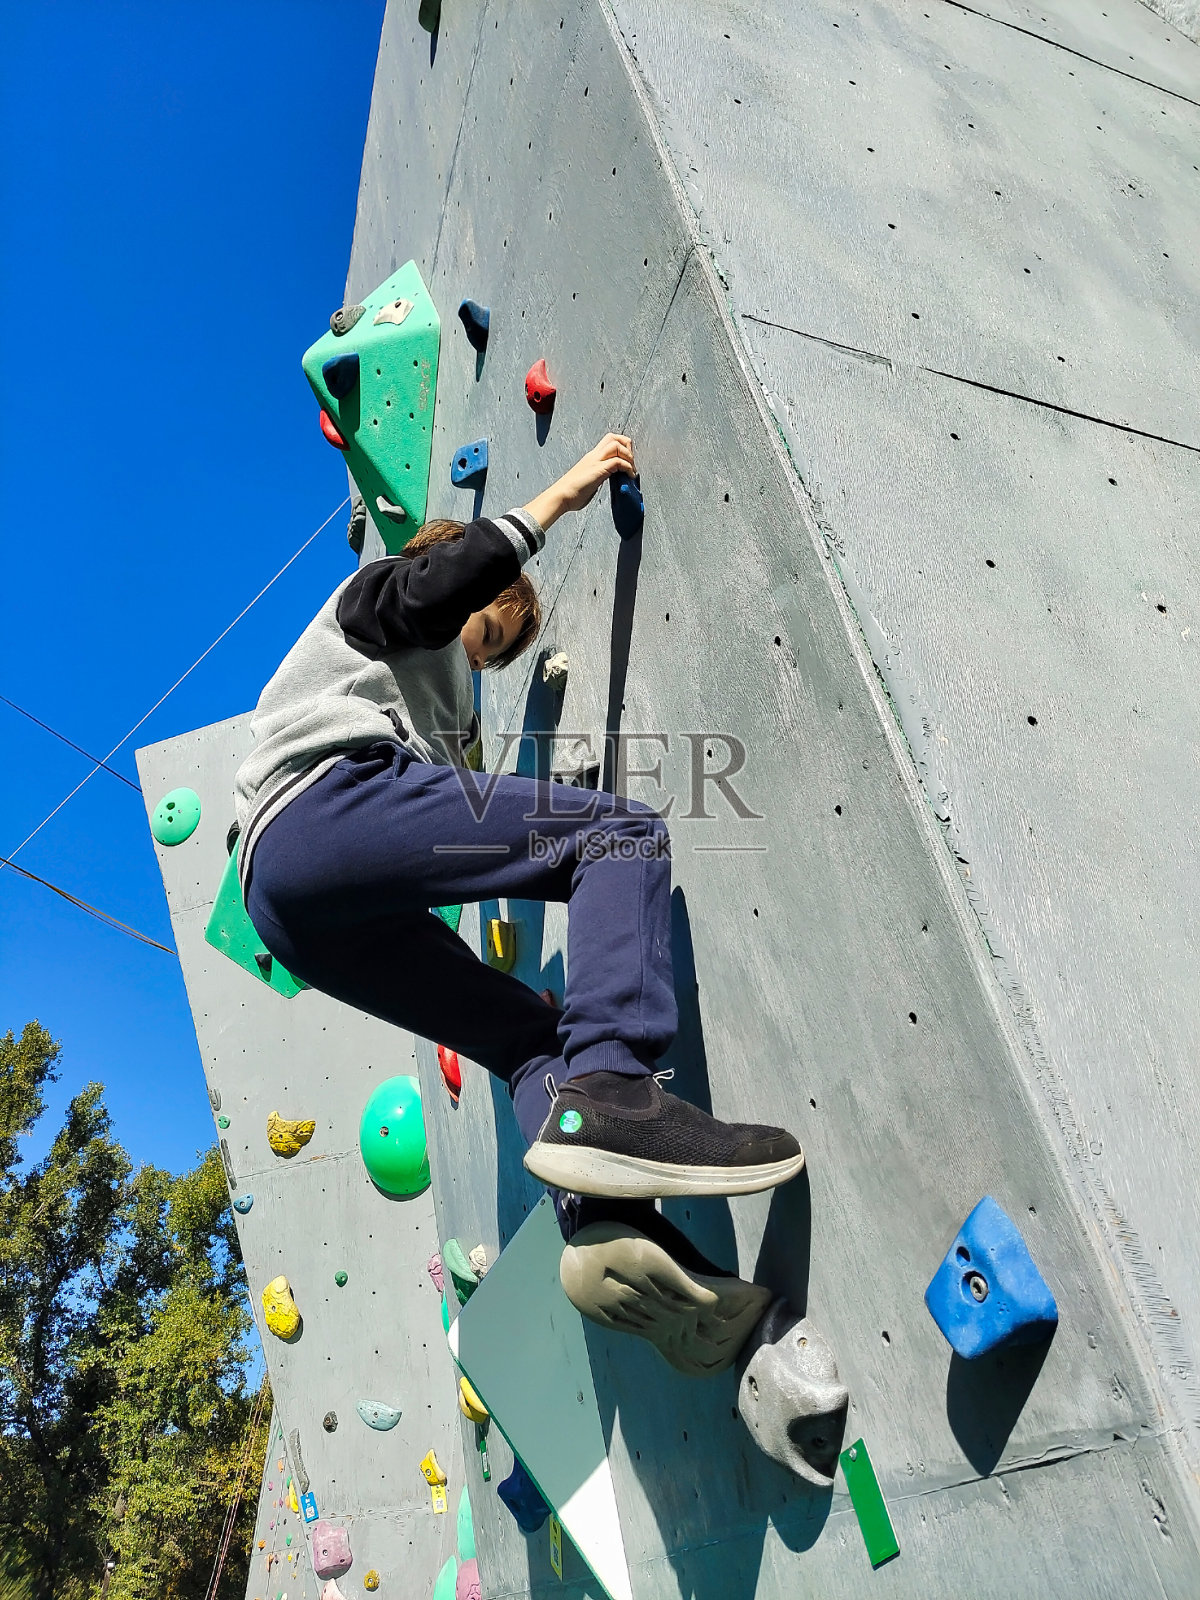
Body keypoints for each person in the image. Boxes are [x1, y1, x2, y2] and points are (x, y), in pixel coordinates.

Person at [236, 433, 804, 1372]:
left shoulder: (441, 719)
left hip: (297, 910)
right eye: (487, 629)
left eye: (494, 649)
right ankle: (620, 1086)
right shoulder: (376, 602)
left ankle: (604, 1229)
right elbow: (434, 591)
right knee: (621, 834)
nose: (478, 651)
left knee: (528, 1040)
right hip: (320, 807)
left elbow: (478, 835)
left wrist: (546, 793)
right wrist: (557, 500)